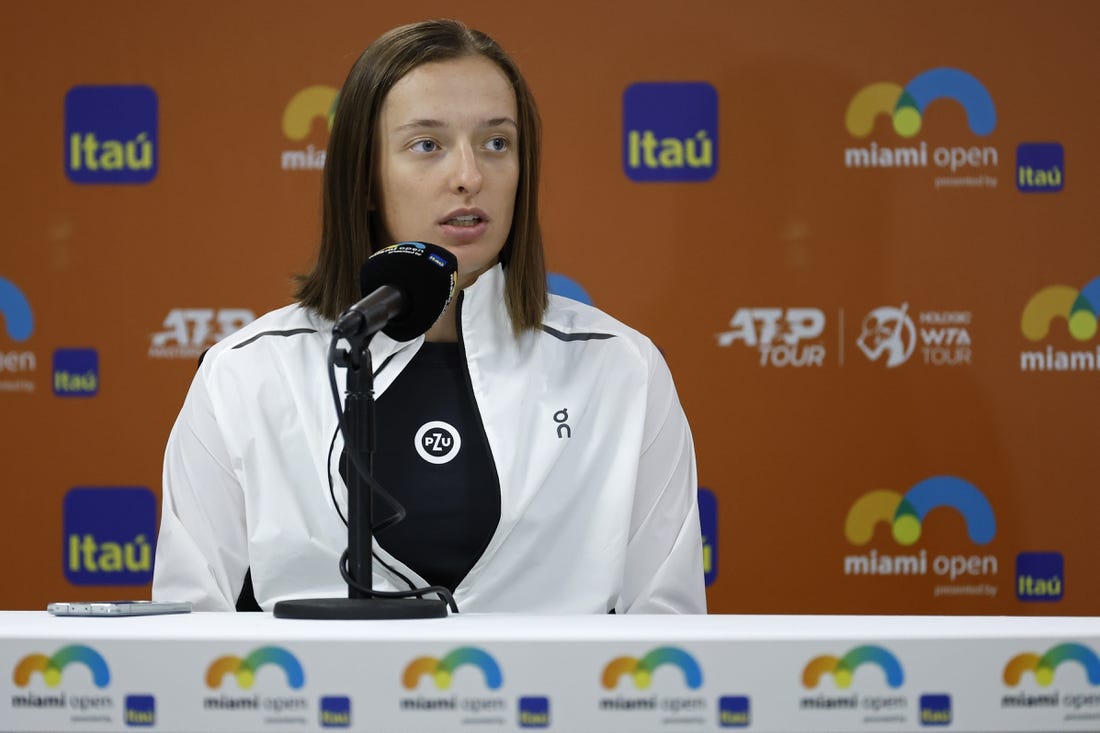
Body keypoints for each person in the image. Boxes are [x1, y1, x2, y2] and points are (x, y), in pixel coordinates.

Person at [152, 19, 706, 614]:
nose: (469, 176)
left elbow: (668, 642)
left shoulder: (622, 369)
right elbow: (187, 643)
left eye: (497, 143)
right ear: (364, 177)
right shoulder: (245, 375)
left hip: (554, 709)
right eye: (428, 145)